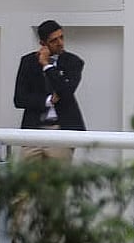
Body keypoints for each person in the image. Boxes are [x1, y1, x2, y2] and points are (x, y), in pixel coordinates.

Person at [13, 19, 85, 160]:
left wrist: (47, 66)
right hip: (34, 129)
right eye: (54, 40)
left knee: (58, 178)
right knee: (27, 177)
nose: (60, 43)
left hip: (61, 129)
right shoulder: (28, 62)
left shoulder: (73, 62)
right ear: (43, 44)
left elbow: (65, 92)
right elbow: (19, 99)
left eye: (61, 37)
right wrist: (47, 101)